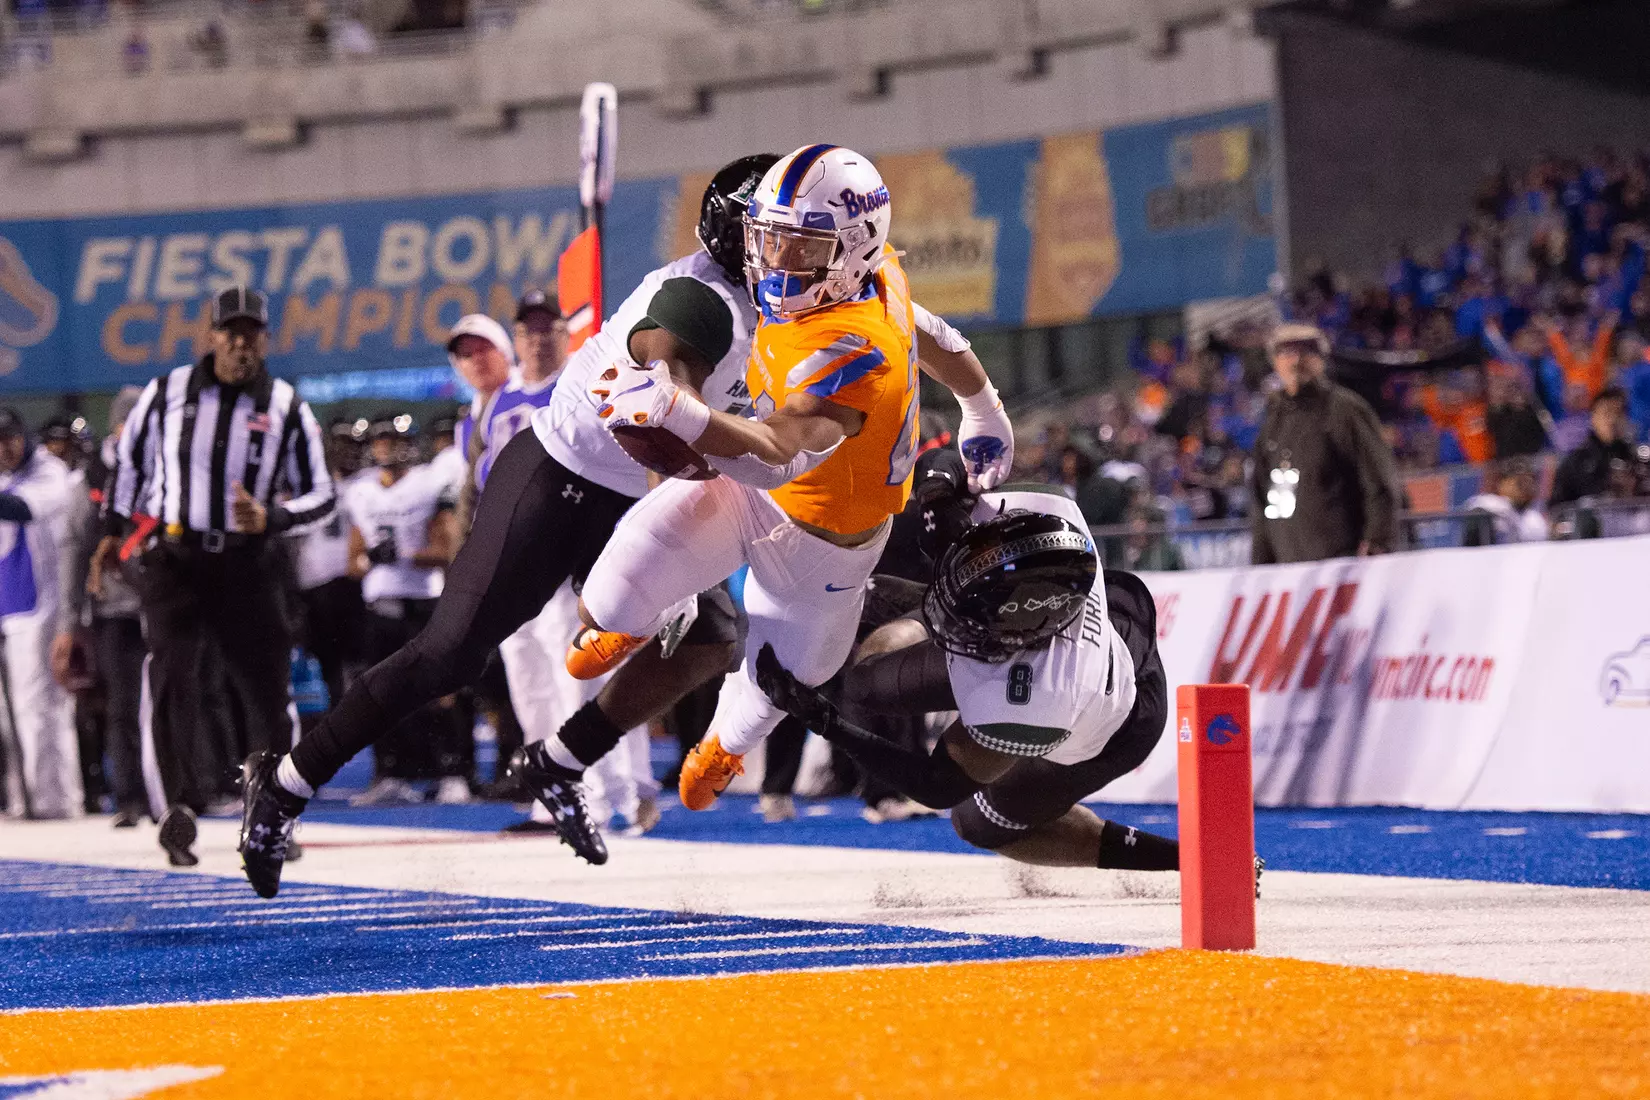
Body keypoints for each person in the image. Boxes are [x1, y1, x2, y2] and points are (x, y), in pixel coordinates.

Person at [239, 156, 788, 893]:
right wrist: (684, 517)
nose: (801, 253)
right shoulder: (704, 302)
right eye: (784, 236)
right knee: (449, 656)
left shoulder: (772, 304)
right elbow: (659, 409)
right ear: (739, 239)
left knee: (712, 639)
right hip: (560, 476)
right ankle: (282, 786)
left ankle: (558, 764)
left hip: (625, 494)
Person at [567, 144, 1015, 818]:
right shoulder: (872, 273)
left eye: (799, 247)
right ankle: (639, 620)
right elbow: (928, 328)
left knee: (775, 687)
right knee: (607, 600)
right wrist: (984, 404)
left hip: (825, 548)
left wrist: (680, 411)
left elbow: (779, 450)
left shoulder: (853, 344)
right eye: (767, 239)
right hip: (750, 496)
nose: (774, 263)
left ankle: (721, 746)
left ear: (852, 248)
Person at [755, 485, 1199, 878]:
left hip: (1116, 727)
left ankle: (1188, 859)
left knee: (975, 821)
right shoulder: (1048, 513)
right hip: (1104, 632)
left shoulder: (1033, 700)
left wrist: (829, 724)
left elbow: (938, 786)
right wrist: (942, 484)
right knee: (866, 684)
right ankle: (894, 599)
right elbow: (963, 470)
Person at [100, 287, 333, 866]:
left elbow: (324, 494)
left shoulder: (286, 405)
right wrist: (111, 531)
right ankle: (178, 808)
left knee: (267, 693)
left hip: (247, 563)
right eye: (230, 331)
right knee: (171, 680)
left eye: (251, 332)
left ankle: (274, 811)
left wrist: (274, 516)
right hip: (174, 561)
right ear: (210, 334)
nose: (240, 342)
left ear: (265, 338)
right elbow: (126, 466)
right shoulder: (164, 394)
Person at [58, 388, 150, 826]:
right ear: (117, 424)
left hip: (163, 601)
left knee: (179, 699)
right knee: (122, 707)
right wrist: (71, 616)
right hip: (115, 606)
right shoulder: (90, 478)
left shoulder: (166, 465)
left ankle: (182, 790)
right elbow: (76, 550)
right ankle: (130, 797)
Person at [1250, 323, 1400, 564]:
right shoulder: (1274, 418)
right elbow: (1262, 497)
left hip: (1341, 563)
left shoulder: (1344, 410)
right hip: (1289, 566)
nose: (1296, 361)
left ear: (1321, 359)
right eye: (1287, 353)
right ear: (1275, 361)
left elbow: (1379, 480)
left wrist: (1377, 542)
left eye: (1306, 352)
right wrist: (1262, 563)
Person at [0, 409, 81, 820]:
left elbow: (21, 509)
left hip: (43, 609)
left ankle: (55, 800)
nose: (4, 448)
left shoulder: (49, 472)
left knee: (41, 707)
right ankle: (23, 798)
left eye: (10, 438)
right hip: (9, 606)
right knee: (9, 713)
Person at [1551, 386, 1636, 507]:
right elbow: (1557, 508)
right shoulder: (1576, 461)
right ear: (1593, 417)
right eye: (1607, 413)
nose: (1612, 420)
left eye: (1618, 413)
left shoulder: (1634, 458)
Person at [1463, 458, 1548, 545]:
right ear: (1502, 483)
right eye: (1520, 482)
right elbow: (1476, 520)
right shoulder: (1490, 503)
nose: (1526, 487)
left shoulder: (1535, 517)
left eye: (1530, 482)